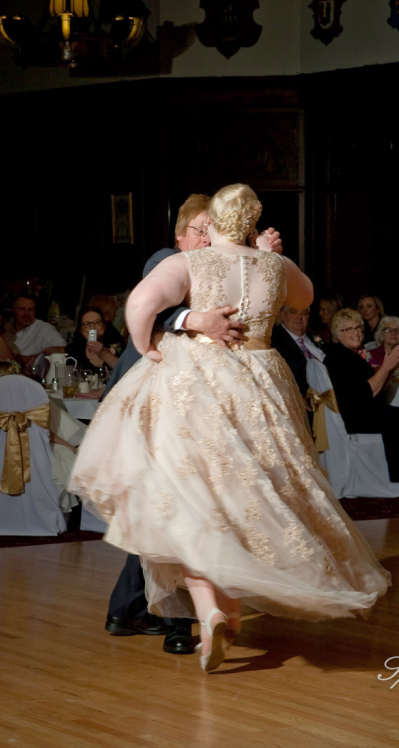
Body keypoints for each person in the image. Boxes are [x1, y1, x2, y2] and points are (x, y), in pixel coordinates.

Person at [70, 184, 389, 673]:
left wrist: (146, 346)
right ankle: (229, 613)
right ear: (254, 224)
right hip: (261, 384)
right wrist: (267, 257)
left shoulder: (190, 263)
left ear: (213, 222)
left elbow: (139, 304)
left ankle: (212, 610)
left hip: (198, 383)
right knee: (248, 500)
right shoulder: (274, 266)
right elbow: (304, 295)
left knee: (191, 501)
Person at [99, 193, 275, 657]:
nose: (207, 237)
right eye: (199, 229)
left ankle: (128, 609)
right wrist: (195, 317)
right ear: (181, 237)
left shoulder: (221, 263)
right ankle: (179, 623)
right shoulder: (171, 260)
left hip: (199, 401)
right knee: (175, 508)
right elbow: (147, 310)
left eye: (212, 227)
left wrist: (262, 263)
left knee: (169, 510)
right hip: (154, 397)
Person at [322, 308, 399, 492]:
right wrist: (386, 367)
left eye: (358, 327)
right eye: (349, 329)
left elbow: (375, 390)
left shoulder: (349, 355)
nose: (356, 332)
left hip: (364, 412)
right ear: (338, 334)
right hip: (355, 418)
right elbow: (365, 394)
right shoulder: (338, 358)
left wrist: (390, 369)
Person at [270, 304, 325, 399]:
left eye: (304, 313)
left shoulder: (319, 340)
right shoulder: (273, 343)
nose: (299, 317)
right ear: (282, 315)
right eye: (293, 312)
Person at [4, 295, 66, 368]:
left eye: (31, 309)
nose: (27, 313)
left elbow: (61, 349)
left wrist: (37, 356)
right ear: (14, 310)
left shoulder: (43, 328)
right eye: (22, 309)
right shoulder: (5, 328)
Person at [65, 307, 123, 376]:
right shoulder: (73, 351)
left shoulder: (118, 345)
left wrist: (104, 353)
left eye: (97, 322)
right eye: (87, 324)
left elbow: (127, 371)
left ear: (104, 326)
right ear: (80, 329)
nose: (93, 327)